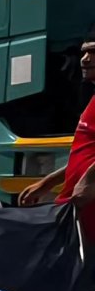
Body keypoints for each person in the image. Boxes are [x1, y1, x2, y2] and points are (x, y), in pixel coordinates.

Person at [20, 29, 95, 248]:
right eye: (83, 52)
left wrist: (89, 182)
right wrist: (48, 182)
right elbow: (85, 152)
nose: (84, 59)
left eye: (93, 52)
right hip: (76, 206)